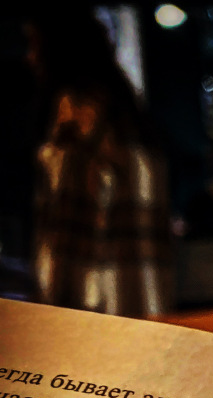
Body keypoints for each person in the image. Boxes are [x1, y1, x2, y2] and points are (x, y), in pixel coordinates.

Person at [29, 7, 172, 316]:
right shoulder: (127, 116)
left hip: (95, 315)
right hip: (145, 307)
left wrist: (48, 309)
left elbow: (69, 233)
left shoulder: (76, 114)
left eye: (33, 44)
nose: (30, 57)